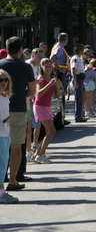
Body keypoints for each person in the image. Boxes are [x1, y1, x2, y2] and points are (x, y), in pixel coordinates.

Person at [0, 37, 36, 190]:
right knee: (16, 147)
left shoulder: (0, 65)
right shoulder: (26, 67)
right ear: (20, 50)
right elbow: (32, 91)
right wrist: (21, 94)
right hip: (18, 109)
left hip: (1, 109)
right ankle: (13, 180)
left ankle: (2, 180)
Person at [32, 58, 62, 163]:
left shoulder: (53, 79)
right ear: (41, 67)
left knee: (50, 131)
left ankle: (38, 153)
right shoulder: (40, 78)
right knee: (52, 130)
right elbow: (38, 94)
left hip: (47, 107)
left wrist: (57, 87)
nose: (48, 69)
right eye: (46, 66)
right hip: (39, 106)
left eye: (50, 66)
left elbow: (57, 96)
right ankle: (40, 154)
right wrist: (50, 84)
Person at [0, 69, 19, 203]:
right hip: (0, 135)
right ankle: (1, 193)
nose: (3, 83)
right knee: (1, 165)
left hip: (5, 134)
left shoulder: (5, 97)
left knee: (3, 163)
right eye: (0, 80)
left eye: (5, 80)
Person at [50, 32, 70, 125]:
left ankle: (61, 116)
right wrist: (59, 69)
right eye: (67, 39)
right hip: (59, 74)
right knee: (60, 95)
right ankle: (60, 117)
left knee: (60, 95)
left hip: (59, 73)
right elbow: (53, 58)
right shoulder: (59, 48)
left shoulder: (58, 46)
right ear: (64, 40)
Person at [71, 44, 87, 122]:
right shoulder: (75, 58)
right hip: (77, 79)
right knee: (78, 98)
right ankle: (77, 116)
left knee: (81, 98)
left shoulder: (79, 58)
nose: (83, 51)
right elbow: (73, 69)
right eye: (82, 50)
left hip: (81, 79)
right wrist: (75, 82)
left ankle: (80, 115)